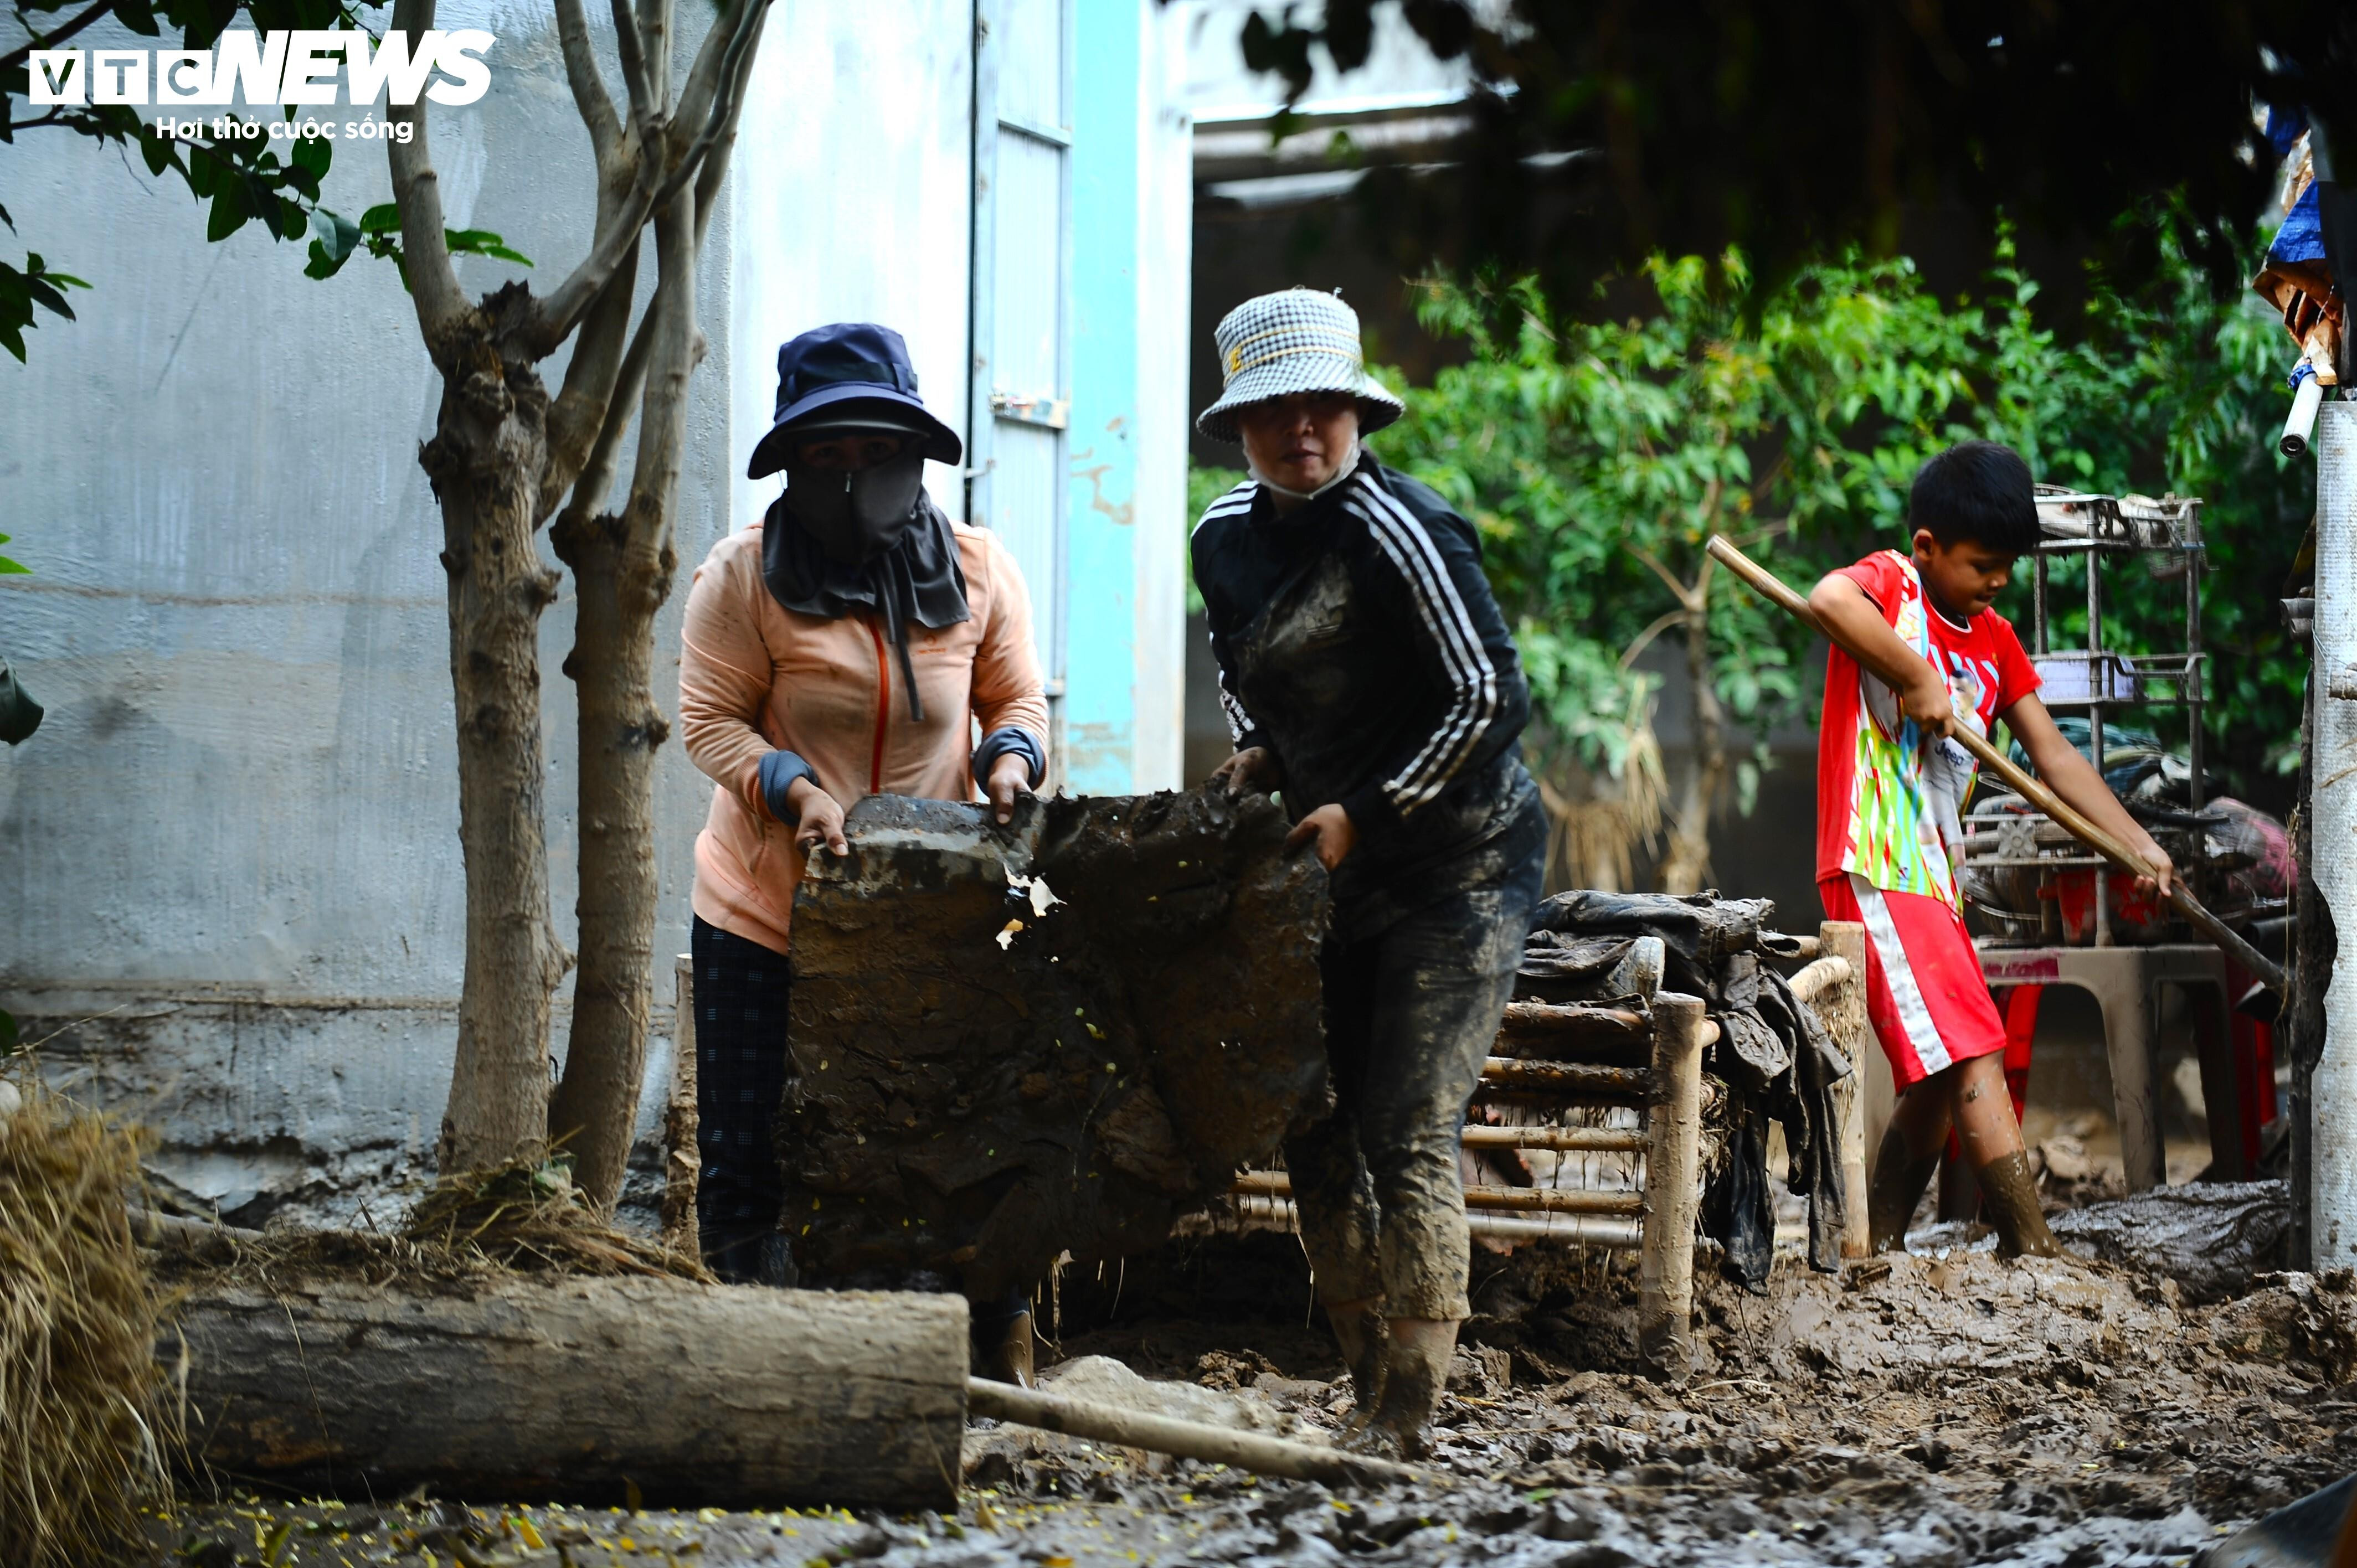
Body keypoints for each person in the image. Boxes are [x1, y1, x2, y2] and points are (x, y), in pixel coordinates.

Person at [1190, 288, 1547, 1458]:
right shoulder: (1222, 538)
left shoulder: (1405, 529)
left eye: (1323, 407)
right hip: (1332, 865)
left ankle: (1410, 1402)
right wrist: (1260, 751)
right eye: (1275, 410)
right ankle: (1360, 1377)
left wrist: (1369, 809)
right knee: (1318, 1124)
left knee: (1406, 1123)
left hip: (1459, 862)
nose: (1303, 429)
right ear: (1240, 426)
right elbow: (1239, 671)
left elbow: (1492, 695)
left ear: (1357, 414)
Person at [678, 322, 1050, 1375]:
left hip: (929, 914)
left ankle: (992, 1357)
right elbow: (708, 721)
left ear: (914, 456)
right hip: (768, 908)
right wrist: (793, 787)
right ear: (793, 463)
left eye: (876, 451)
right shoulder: (742, 575)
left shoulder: (978, 569)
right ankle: (756, 1366)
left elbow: (1015, 701)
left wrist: (1009, 762)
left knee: (958, 1137)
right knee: (749, 1154)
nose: (852, 473)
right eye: (827, 453)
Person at [1809, 440, 2175, 1260]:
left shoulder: (1996, 641)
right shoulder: (1892, 589)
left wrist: (2138, 844)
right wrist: (1915, 674)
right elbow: (1827, 599)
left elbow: (2056, 758)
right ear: (1928, 546)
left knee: (1942, 1077)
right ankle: (2031, 1245)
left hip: (1935, 877)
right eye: (1983, 564)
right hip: (1876, 862)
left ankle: (1875, 1251)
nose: (1999, 580)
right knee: (1975, 1047)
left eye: (2009, 565)